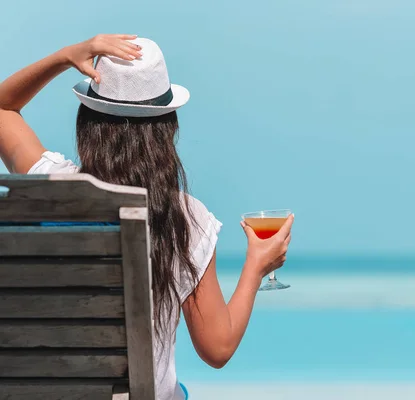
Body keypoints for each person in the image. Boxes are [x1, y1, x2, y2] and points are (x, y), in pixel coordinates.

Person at [0, 34, 294, 400]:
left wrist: (65, 57)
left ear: (87, 122)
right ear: (167, 129)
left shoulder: (51, 185)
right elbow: (217, 350)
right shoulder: (186, 219)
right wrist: (256, 267)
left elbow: (2, 109)